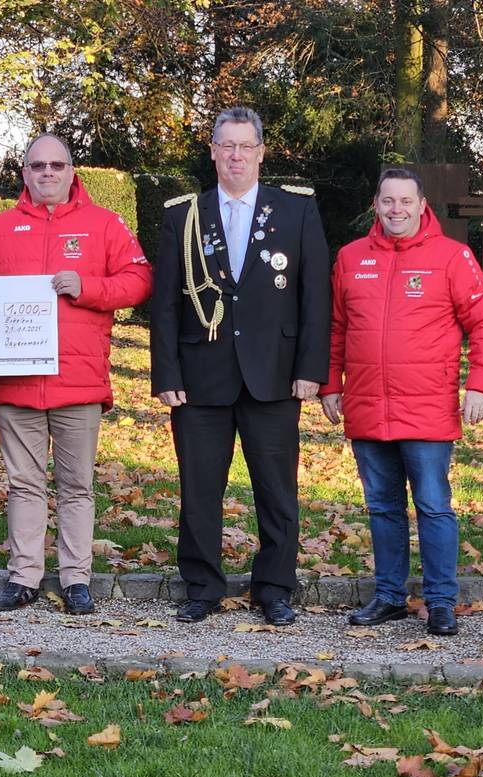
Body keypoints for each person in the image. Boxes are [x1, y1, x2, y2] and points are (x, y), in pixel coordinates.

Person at [150, 106, 330, 625]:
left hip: (274, 374)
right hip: (200, 376)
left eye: (245, 146)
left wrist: (310, 369)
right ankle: (202, 586)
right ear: (212, 151)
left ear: (261, 152)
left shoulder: (295, 212)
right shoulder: (184, 214)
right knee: (199, 489)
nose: (235, 155)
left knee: (276, 490)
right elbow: (165, 302)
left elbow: (314, 297)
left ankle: (275, 586)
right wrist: (166, 374)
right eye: (225, 145)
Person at [0, 133, 152, 614]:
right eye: (37, 166)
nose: (47, 173)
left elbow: (139, 280)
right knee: (24, 483)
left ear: (72, 171)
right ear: (24, 173)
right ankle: (23, 577)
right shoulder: (0, 229)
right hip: (17, 379)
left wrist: (87, 286)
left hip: (79, 377)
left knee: (76, 485)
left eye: (57, 165)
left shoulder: (104, 224)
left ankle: (75, 580)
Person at [320, 167, 483, 636]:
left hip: (427, 408)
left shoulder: (451, 257)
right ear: (375, 205)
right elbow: (336, 327)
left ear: (422, 206)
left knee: (433, 505)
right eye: (388, 201)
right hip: (366, 405)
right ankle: (389, 597)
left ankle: (440, 602)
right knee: (382, 507)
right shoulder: (350, 257)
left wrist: (480, 384)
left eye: (406, 201)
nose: (396, 210)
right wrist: (329, 384)